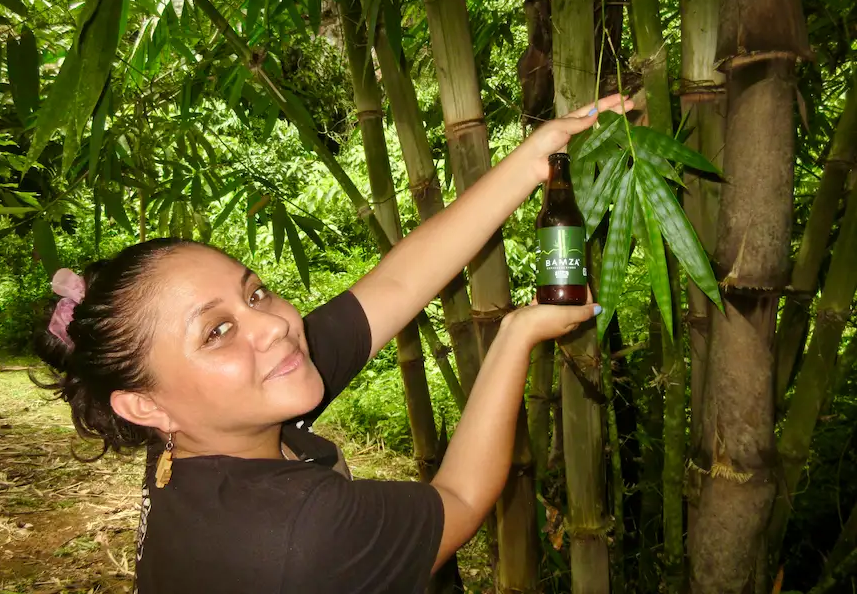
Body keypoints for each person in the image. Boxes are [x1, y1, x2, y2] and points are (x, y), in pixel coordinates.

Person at [33, 94, 631, 594]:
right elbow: (461, 498)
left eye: (257, 293)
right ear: (144, 404)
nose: (273, 326)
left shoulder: (200, 433)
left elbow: (397, 284)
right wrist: (515, 336)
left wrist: (534, 161)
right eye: (217, 332)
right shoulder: (299, 531)